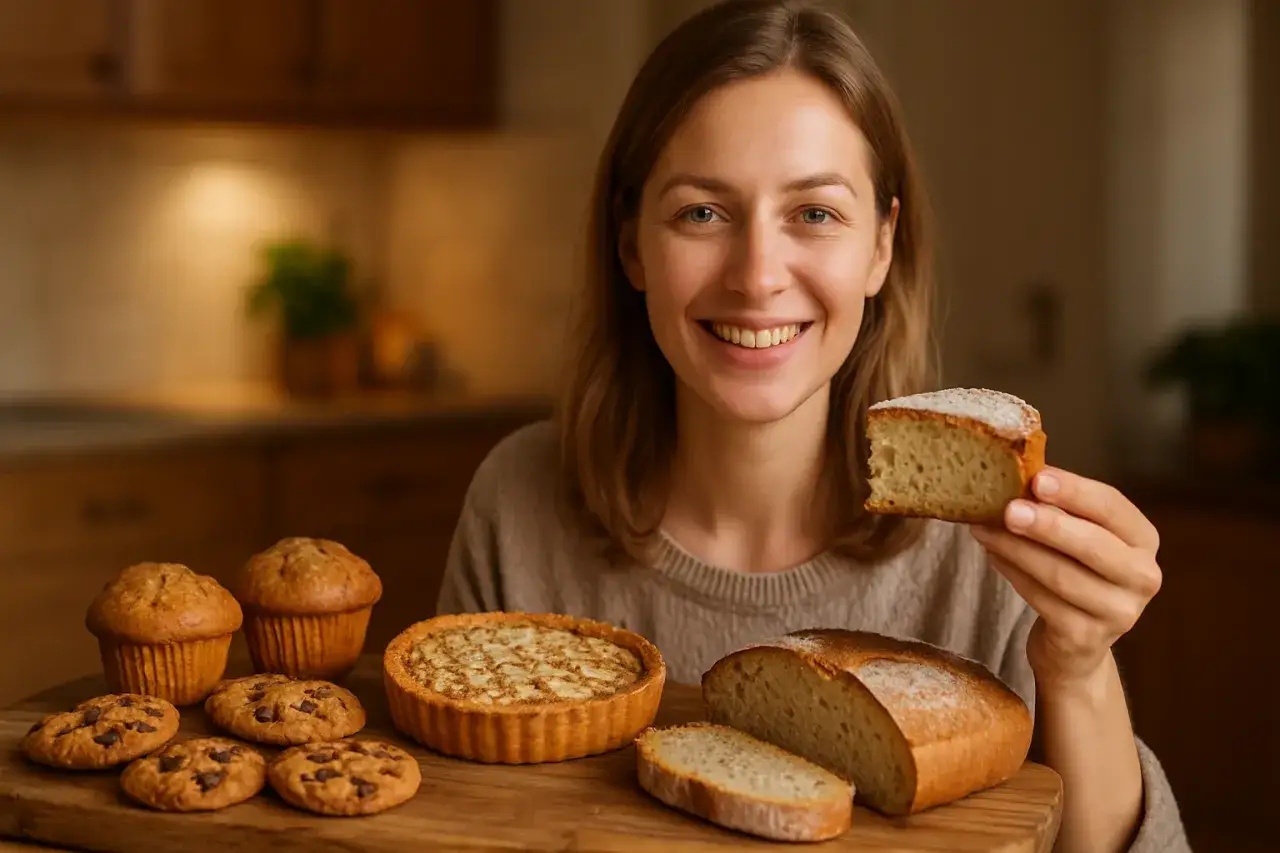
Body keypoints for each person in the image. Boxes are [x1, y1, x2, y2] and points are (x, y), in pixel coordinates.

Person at [436, 1, 1190, 850]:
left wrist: (1080, 669)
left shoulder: (985, 550)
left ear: (881, 246)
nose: (758, 277)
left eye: (816, 213)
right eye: (702, 213)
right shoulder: (519, 501)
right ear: (630, 243)